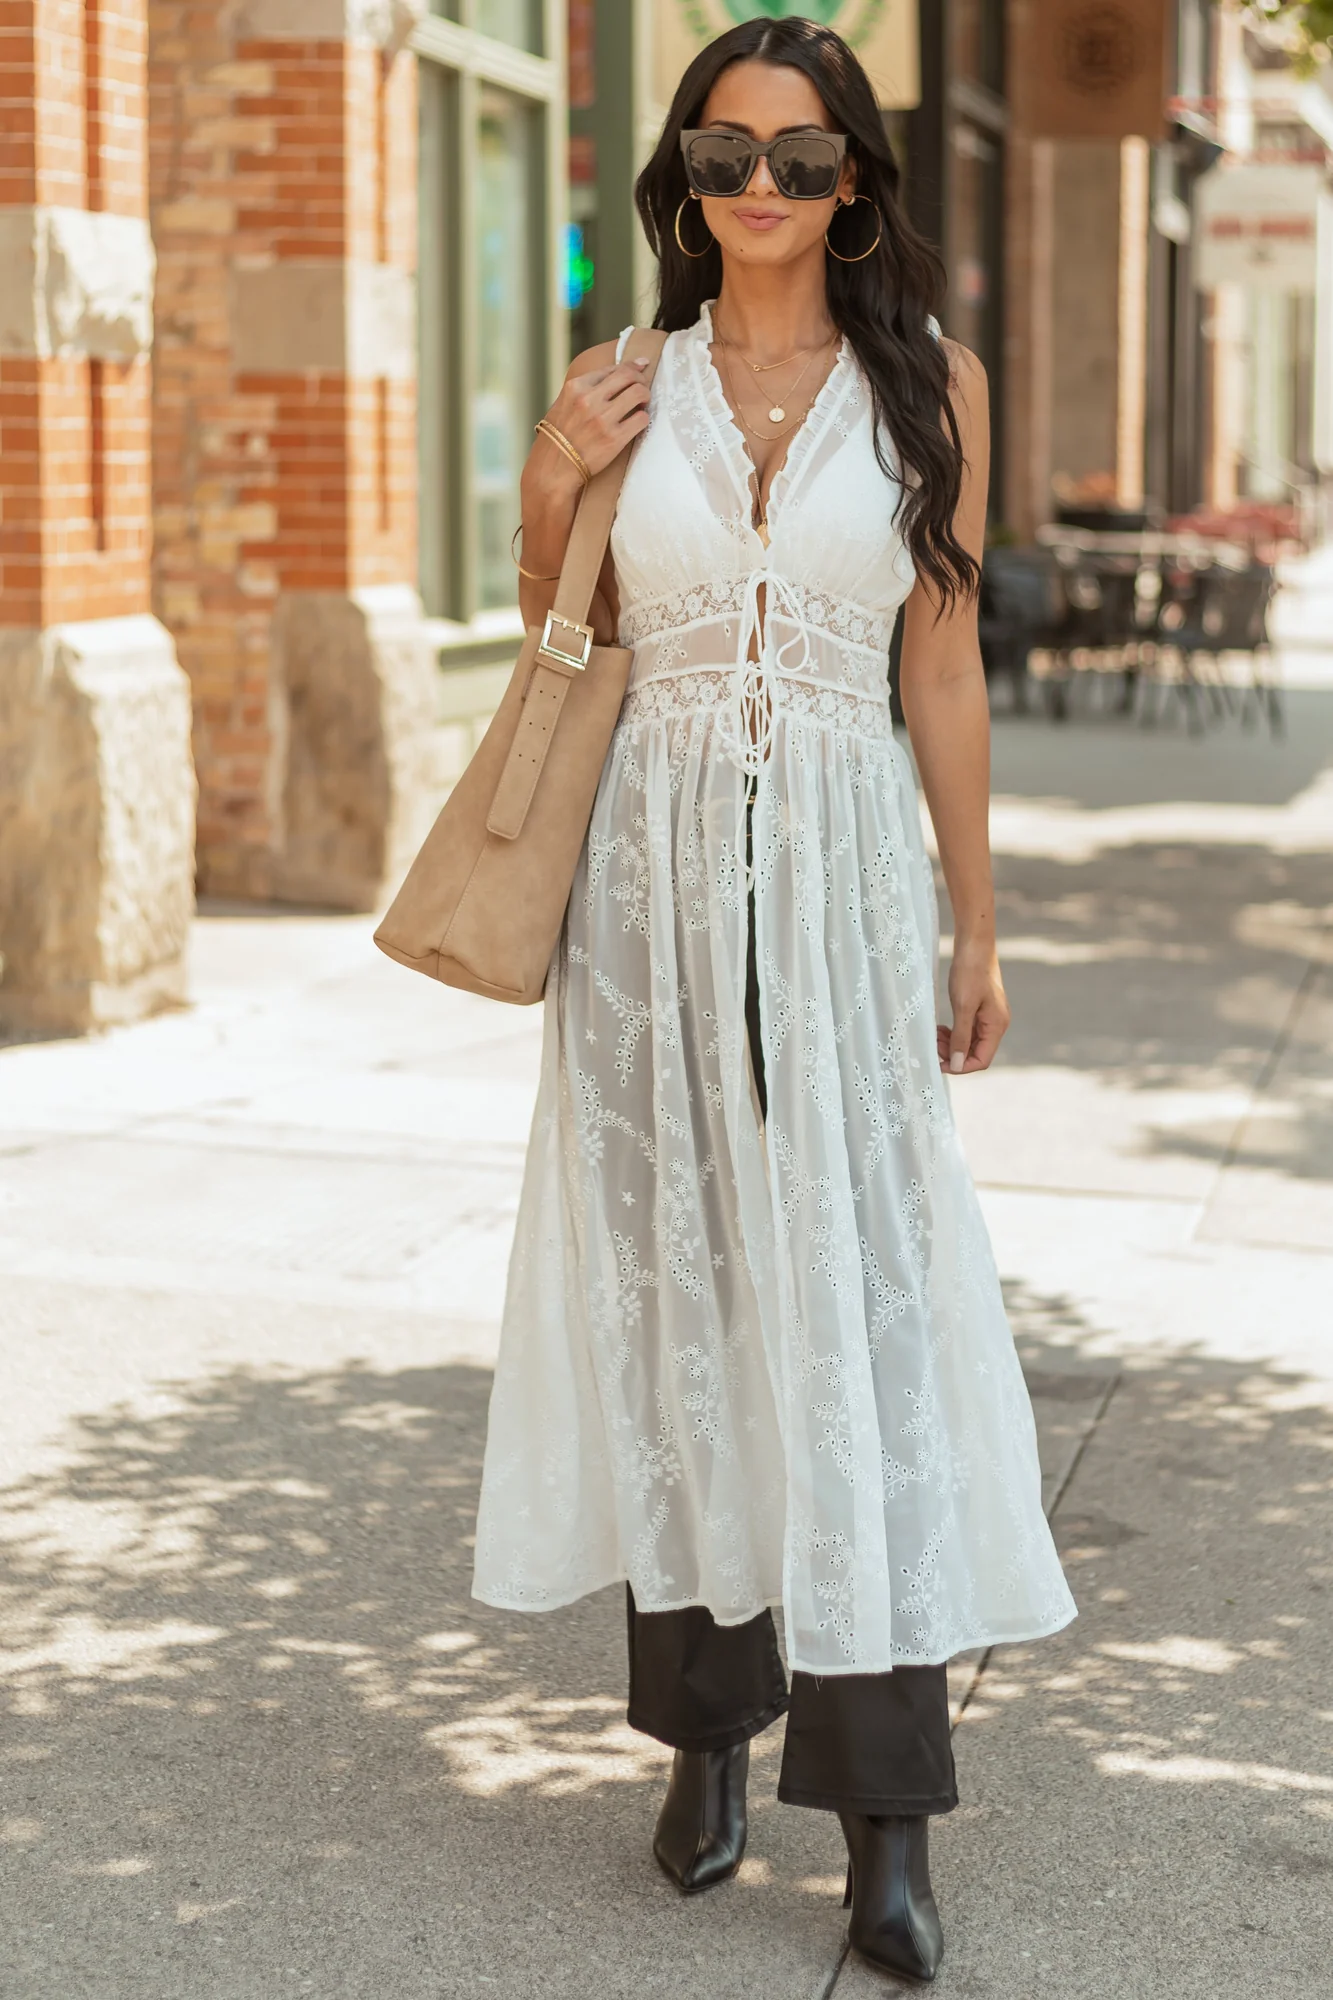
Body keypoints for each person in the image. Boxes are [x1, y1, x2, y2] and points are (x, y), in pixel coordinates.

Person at [471, 15, 1075, 1985]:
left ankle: (888, 1812)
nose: (760, 192)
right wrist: (558, 478)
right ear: (681, 178)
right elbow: (572, 615)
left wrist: (975, 926)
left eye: (800, 160)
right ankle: (708, 1740)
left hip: (834, 893)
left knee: (863, 1316)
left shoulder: (928, 386)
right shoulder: (620, 377)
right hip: (644, 904)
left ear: (856, 182)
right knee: (689, 1314)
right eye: (724, 156)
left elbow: (946, 678)